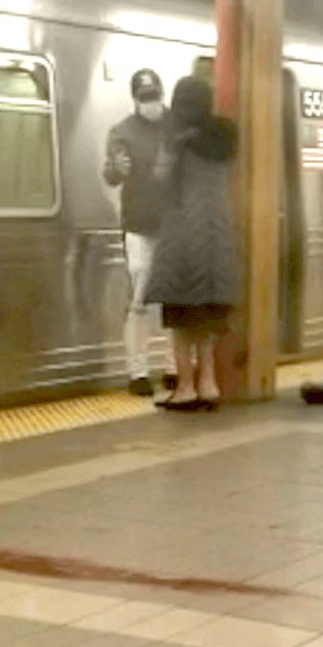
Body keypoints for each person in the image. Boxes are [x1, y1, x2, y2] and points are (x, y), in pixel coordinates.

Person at [145, 77, 238, 411]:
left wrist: (169, 148)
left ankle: (186, 387)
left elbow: (160, 181)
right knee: (208, 315)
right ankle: (209, 384)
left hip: (184, 232)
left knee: (181, 316)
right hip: (217, 232)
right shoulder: (225, 134)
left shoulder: (177, 140)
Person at [103, 68, 176, 397]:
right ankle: (138, 372)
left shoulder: (176, 126)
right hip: (139, 227)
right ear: (135, 100)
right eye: (146, 98)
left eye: (155, 97)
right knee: (140, 301)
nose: (152, 103)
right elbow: (111, 175)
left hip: (174, 226)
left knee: (176, 300)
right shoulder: (121, 132)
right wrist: (116, 169)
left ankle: (175, 366)